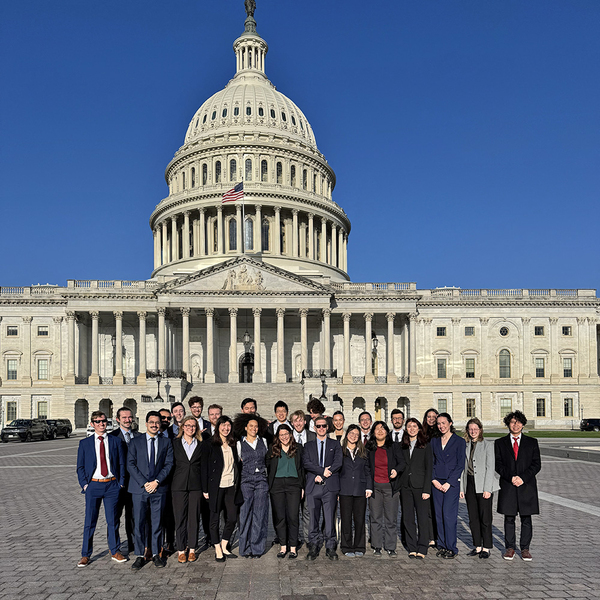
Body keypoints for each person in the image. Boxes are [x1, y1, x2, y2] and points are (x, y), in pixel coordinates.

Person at [76, 410, 127, 567]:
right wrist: (85, 484)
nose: (101, 424)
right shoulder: (85, 443)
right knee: (90, 521)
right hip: (94, 485)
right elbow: (80, 467)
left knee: (113, 520)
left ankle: (115, 550)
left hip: (112, 484)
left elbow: (121, 464)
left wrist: (121, 483)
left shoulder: (115, 441)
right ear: (92, 424)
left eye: (103, 421)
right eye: (97, 421)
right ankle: (86, 554)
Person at [127, 411, 174, 571]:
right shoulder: (135, 442)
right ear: (146, 423)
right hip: (139, 489)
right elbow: (130, 464)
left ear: (160, 425)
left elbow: (168, 464)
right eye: (152, 422)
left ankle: (156, 554)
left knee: (157, 523)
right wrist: (144, 483)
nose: (154, 425)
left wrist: (156, 482)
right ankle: (140, 555)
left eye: (157, 422)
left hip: (158, 489)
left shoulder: (166, 442)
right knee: (139, 523)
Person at [495, 410, 541, 562]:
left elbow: (536, 465)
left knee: (526, 518)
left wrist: (522, 478)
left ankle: (525, 548)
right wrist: (511, 477)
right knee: (509, 518)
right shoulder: (500, 443)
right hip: (508, 484)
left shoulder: (532, 442)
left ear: (523, 424)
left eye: (518, 422)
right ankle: (510, 547)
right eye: (513, 422)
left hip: (526, 485)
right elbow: (498, 464)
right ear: (508, 424)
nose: (516, 425)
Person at [201, 415, 243, 562]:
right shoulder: (209, 444)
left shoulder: (233, 443)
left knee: (231, 518)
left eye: (228, 426)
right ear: (218, 427)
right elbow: (204, 468)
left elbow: (237, 464)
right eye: (223, 425)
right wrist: (205, 489)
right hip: (215, 487)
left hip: (231, 486)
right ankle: (217, 547)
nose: (226, 428)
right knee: (214, 519)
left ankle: (224, 544)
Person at [303, 416, 343, 560]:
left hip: (330, 487)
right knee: (313, 518)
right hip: (313, 485)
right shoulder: (308, 446)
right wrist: (320, 472)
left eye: (324, 426)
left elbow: (338, 462)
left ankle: (330, 546)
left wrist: (326, 474)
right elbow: (306, 463)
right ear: (314, 428)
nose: (321, 428)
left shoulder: (335, 444)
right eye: (318, 426)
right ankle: (313, 545)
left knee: (329, 518)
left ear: (328, 427)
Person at [459, 418, 499, 559]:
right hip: (469, 483)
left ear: (480, 430)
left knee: (485, 517)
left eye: (476, 429)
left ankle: (486, 547)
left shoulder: (488, 445)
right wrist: (461, 488)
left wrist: (487, 489)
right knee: (473, 517)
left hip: (483, 484)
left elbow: (490, 468)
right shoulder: (465, 445)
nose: (473, 431)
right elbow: (463, 468)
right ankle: (477, 546)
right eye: (470, 429)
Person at [266, 424, 305, 560]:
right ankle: (283, 546)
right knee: (280, 516)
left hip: (294, 485)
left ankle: (293, 547)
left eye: (286, 434)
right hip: (277, 485)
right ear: (278, 436)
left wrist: (302, 487)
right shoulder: (273, 449)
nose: (284, 437)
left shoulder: (299, 448)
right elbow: (268, 465)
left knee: (293, 516)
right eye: (281, 435)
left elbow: (302, 468)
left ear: (290, 434)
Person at [366, 420, 405, 557]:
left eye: (383, 428)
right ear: (373, 432)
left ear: (387, 431)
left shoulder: (393, 447)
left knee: (391, 518)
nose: (380, 431)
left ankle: (390, 546)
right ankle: (377, 545)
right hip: (375, 487)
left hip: (390, 487)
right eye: (377, 429)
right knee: (375, 517)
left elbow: (402, 463)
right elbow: (367, 468)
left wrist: (396, 470)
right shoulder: (370, 448)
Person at [234, 413, 270, 558]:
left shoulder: (264, 442)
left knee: (260, 514)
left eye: (256, 426)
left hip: (261, 480)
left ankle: (257, 548)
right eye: (251, 426)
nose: (253, 429)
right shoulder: (239, 444)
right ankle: (244, 547)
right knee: (245, 514)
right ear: (245, 428)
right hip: (245, 481)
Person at [431, 413, 465, 559]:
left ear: (450, 423)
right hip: (436, 483)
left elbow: (460, 465)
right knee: (439, 516)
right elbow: (430, 462)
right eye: (439, 423)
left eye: (444, 423)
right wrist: (434, 480)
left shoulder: (459, 441)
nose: (441, 426)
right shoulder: (434, 441)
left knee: (449, 516)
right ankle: (442, 545)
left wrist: (449, 482)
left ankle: (452, 547)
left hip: (451, 484)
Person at [109, 407, 142, 555]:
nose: (128, 420)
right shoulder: (112, 437)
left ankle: (133, 545)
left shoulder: (139, 436)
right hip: (117, 484)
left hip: (134, 484)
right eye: (124, 418)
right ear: (118, 419)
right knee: (115, 517)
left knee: (133, 516)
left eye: (130, 417)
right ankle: (114, 547)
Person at [171, 416, 203, 564]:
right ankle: (180, 550)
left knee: (193, 518)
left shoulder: (201, 444)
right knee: (180, 518)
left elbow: (204, 467)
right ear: (182, 427)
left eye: (193, 426)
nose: (190, 428)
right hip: (179, 486)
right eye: (188, 425)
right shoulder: (175, 443)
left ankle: (192, 549)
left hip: (196, 486)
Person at [399, 418, 432, 559]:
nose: (412, 429)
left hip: (420, 487)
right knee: (408, 518)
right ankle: (412, 546)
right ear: (406, 429)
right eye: (409, 426)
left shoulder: (425, 445)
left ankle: (423, 546)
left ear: (419, 428)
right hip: (406, 486)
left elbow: (429, 468)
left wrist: (427, 489)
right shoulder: (403, 445)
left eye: (414, 426)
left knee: (423, 518)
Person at [338, 424, 371, 557]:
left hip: (360, 490)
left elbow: (368, 471)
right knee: (346, 520)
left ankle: (359, 546)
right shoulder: (340, 451)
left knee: (359, 520)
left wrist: (369, 487)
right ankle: (346, 546)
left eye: (356, 435)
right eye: (351, 433)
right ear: (347, 435)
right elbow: (337, 471)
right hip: (344, 490)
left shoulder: (363, 452)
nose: (354, 436)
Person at [290, 409, 315, 547]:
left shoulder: (312, 436)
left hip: (309, 478)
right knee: (293, 512)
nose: (298, 423)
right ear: (292, 423)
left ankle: (308, 538)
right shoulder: (287, 437)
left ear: (305, 422)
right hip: (293, 479)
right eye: (295, 420)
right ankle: (293, 539)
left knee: (308, 510)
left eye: (300, 420)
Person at [422, 407, 440, 548]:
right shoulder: (422, 433)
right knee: (427, 508)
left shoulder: (442, 433)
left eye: (434, 416)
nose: (431, 419)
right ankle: (431, 536)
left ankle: (439, 535)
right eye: (429, 416)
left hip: (439, 473)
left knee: (438, 508)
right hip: (426, 473)